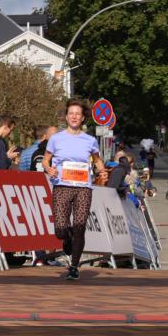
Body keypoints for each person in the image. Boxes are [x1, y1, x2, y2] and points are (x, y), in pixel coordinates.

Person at [42, 99, 107, 280]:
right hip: (62, 186)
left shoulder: (90, 140)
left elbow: (97, 159)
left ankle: (74, 266)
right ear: (66, 117)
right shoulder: (56, 138)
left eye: (77, 114)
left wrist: (101, 171)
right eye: (71, 113)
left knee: (80, 226)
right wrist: (49, 169)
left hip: (83, 188)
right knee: (60, 230)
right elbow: (45, 160)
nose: (74, 117)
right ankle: (67, 236)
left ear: (83, 117)